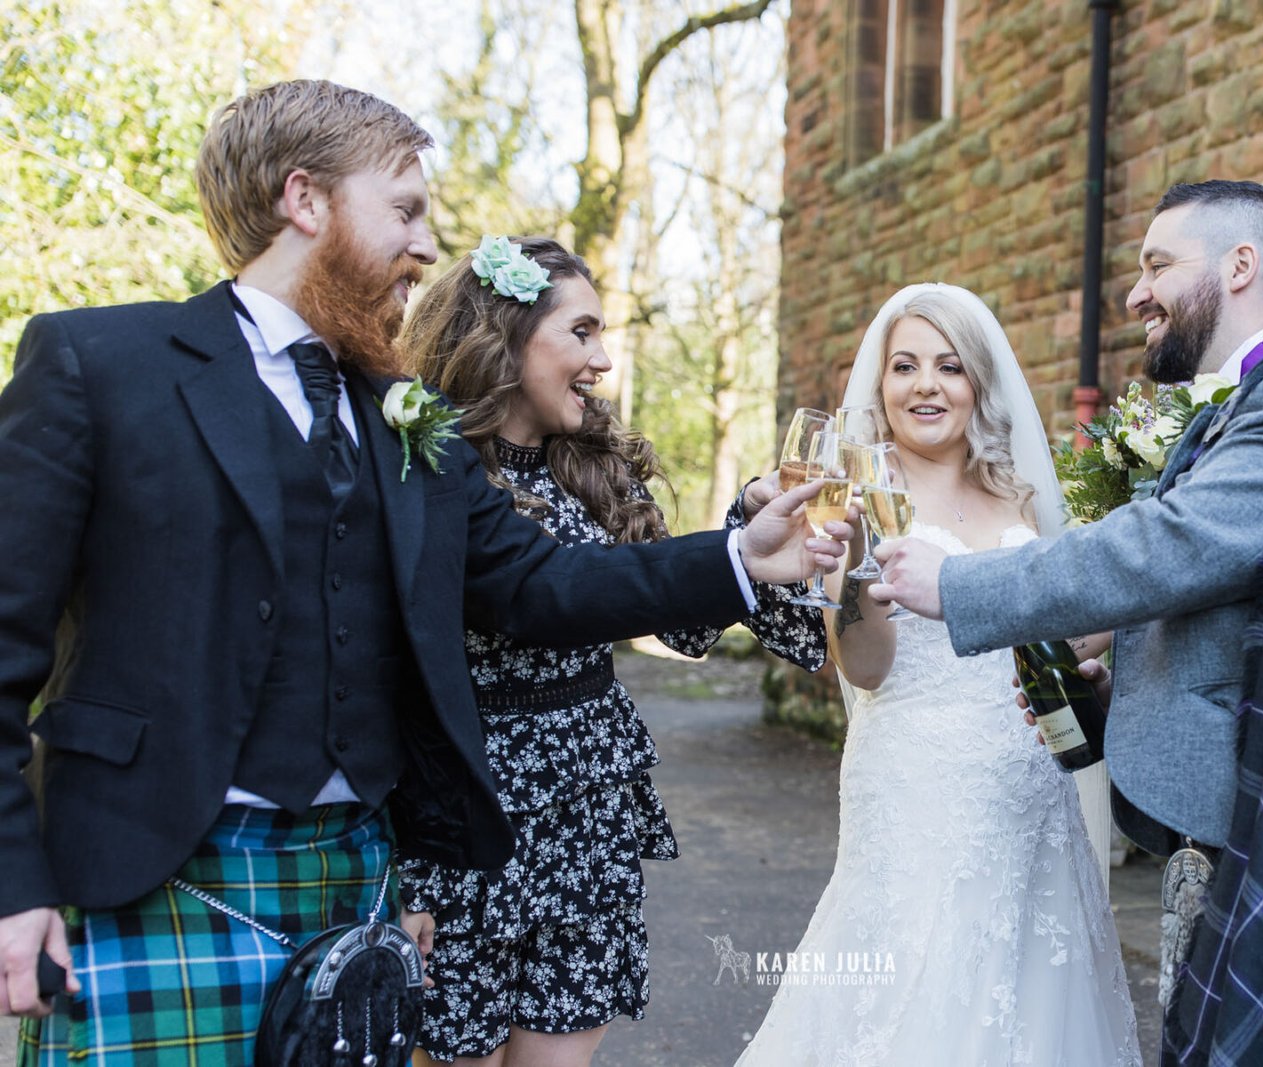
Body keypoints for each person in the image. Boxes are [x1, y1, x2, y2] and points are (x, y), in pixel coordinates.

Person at [0, 80, 845, 1065]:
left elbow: (540, 587)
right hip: (151, 874)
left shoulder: (413, 422)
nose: (428, 246)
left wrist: (739, 556)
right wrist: (14, 883)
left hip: (351, 878)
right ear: (304, 200)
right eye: (404, 208)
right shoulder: (103, 363)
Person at [872, 182, 1263, 1063]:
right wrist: (1133, 674)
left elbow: (1176, 545)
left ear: (1239, 266)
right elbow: (1248, 599)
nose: (1135, 292)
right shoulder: (1253, 400)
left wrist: (964, 583)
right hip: (1255, 811)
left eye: (1158, 264)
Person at [396, 235, 828, 1066]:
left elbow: (681, 624)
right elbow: (529, 603)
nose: (603, 360)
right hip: (470, 811)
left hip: (590, 804)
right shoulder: (430, 467)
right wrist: (411, 867)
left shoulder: (595, 464)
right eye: (583, 333)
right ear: (507, 335)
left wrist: (746, 526)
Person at [737, 283, 1139, 1066]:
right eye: (905, 366)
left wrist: (1099, 642)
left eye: (949, 366)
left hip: (1032, 798)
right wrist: (851, 569)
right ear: (880, 387)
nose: (927, 384)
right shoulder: (858, 497)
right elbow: (865, 665)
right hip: (919, 791)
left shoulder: (1016, 492)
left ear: (978, 383)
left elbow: (1058, 631)